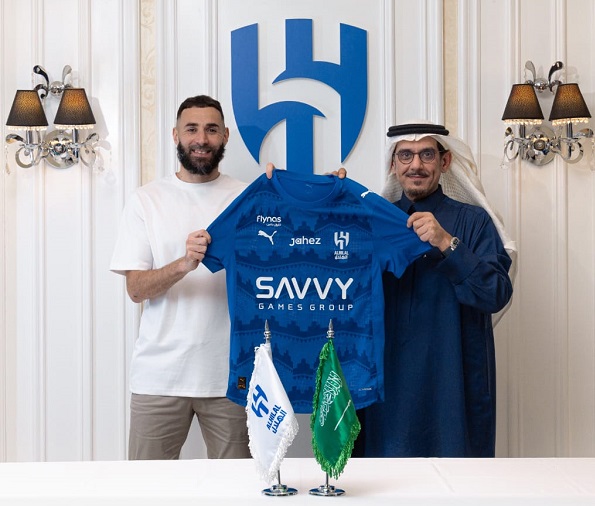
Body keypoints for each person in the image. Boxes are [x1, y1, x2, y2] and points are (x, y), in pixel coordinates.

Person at [353, 121, 516, 458]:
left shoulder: (474, 222)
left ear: (445, 162)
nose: (416, 165)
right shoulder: (370, 225)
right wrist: (332, 207)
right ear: (393, 165)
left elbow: (496, 293)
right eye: (406, 155)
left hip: (453, 383)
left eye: (427, 154)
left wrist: (447, 243)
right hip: (388, 386)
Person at [109, 95, 252, 459]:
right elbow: (136, 289)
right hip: (158, 376)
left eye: (211, 129)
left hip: (230, 376)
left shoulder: (248, 199)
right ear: (176, 135)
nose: (201, 139)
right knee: (147, 486)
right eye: (191, 129)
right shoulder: (146, 200)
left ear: (225, 136)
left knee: (236, 485)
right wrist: (183, 264)